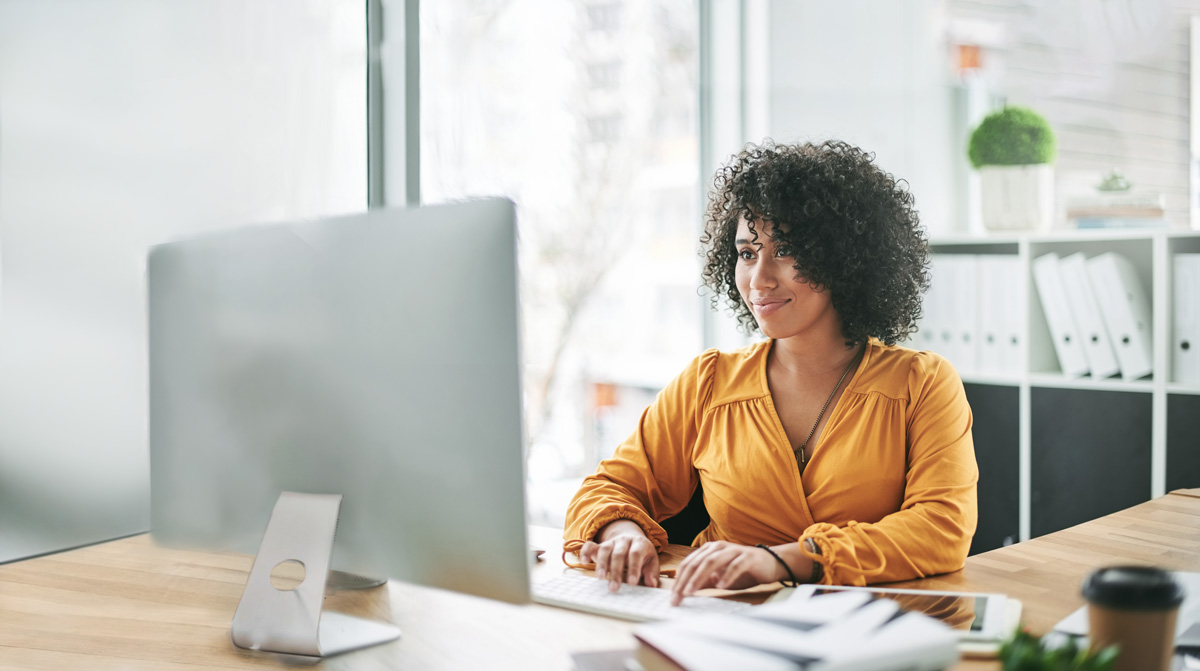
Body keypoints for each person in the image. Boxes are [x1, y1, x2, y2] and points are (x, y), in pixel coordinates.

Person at [562, 140, 978, 605]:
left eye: (786, 252)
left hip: (865, 633)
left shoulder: (921, 383)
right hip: (717, 620)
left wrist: (784, 561)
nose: (758, 279)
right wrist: (622, 532)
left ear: (844, 259)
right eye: (746, 253)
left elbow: (942, 527)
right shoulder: (709, 381)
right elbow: (609, 487)